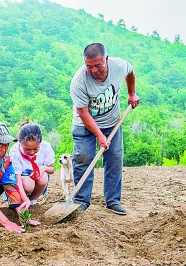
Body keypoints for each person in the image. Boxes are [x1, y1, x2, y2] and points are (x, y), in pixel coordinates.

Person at [69, 43, 140, 215]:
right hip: (84, 124)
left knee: (115, 158)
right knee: (83, 158)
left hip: (111, 121)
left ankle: (113, 201)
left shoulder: (119, 65)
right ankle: (81, 201)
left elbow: (130, 72)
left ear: (106, 60)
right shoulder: (79, 82)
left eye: (97, 65)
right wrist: (100, 136)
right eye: (89, 66)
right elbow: (83, 113)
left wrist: (131, 93)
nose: (93, 70)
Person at [9, 119, 55, 207]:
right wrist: (26, 200)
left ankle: (33, 200)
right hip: (21, 177)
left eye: (35, 149)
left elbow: (52, 169)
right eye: (27, 149)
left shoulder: (46, 147)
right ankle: (22, 200)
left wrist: (43, 168)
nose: (31, 152)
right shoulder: (15, 152)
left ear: (40, 142)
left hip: (37, 175)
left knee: (44, 177)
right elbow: (18, 181)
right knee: (28, 185)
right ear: (20, 142)